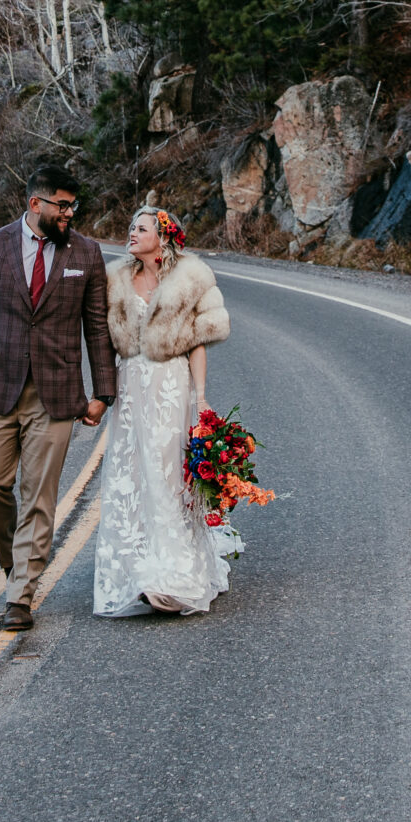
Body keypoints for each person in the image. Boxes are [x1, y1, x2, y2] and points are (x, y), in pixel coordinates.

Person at [0, 164, 115, 632]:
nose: (70, 213)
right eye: (62, 205)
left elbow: (96, 326)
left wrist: (104, 391)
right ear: (34, 203)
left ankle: (21, 593)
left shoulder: (87, 252)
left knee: (38, 494)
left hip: (56, 392)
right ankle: (14, 564)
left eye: (73, 206)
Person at [92, 205, 231, 618]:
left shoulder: (188, 279)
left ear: (163, 236)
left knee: (168, 475)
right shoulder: (115, 280)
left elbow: (198, 342)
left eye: (142, 228)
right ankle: (134, 571)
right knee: (130, 471)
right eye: (131, 226)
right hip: (130, 387)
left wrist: (201, 399)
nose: (132, 233)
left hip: (171, 386)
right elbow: (100, 339)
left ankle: (173, 575)